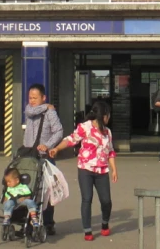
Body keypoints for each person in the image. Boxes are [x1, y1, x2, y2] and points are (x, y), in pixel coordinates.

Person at [49, 100, 118, 242]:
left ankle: (105, 223)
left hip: (102, 170)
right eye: (108, 114)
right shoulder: (85, 127)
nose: (109, 117)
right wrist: (57, 148)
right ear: (103, 115)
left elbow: (110, 151)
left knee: (106, 201)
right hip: (85, 169)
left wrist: (114, 169)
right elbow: (71, 140)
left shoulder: (107, 132)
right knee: (87, 199)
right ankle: (87, 230)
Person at [24, 83, 63, 235]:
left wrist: (47, 145)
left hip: (44, 157)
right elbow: (30, 110)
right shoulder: (29, 111)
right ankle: (29, 220)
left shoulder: (50, 113)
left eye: (35, 98)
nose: (32, 100)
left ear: (43, 97)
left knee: (46, 191)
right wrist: (46, 106)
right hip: (29, 157)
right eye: (30, 97)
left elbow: (59, 131)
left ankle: (48, 222)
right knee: (28, 189)